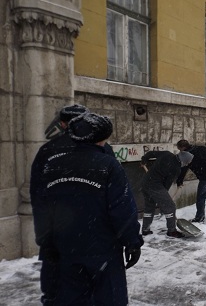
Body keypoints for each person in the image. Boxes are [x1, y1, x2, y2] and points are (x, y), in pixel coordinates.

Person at [32, 113, 143, 305]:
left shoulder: (53, 165)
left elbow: (42, 207)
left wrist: (46, 242)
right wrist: (132, 241)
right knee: (108, 298)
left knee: (70, 297)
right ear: (101, 138)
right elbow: (122, 208)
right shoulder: (108, 165)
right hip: (102, 247)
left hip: (65, 247)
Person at [30, 104, 89, 305]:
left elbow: (38, 197)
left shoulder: (47, 150)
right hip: (92, 228)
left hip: (57, 227)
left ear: (62, 124)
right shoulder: (100, 149)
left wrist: (43, 237)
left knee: (55, 284)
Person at [140, 150, 194, 237]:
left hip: (145, 182)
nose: (187, 164)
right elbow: (166, 184)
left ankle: (145, 229)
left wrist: (144, 159)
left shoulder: (167, 154)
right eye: (187, 162)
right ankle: (172, 231)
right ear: (183, 160)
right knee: (170, 207)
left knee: (149, 207)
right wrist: (163, 196)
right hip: (155, 186)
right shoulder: (176, 168)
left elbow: (150, 153)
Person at [176, 139, 206, 222]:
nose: (180, 151)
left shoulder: (186, 154)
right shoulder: (201, 148)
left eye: (179, 149)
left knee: (201, 196)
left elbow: (184, 168)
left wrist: (179, 180)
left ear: (182, 147)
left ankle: (199, 217)